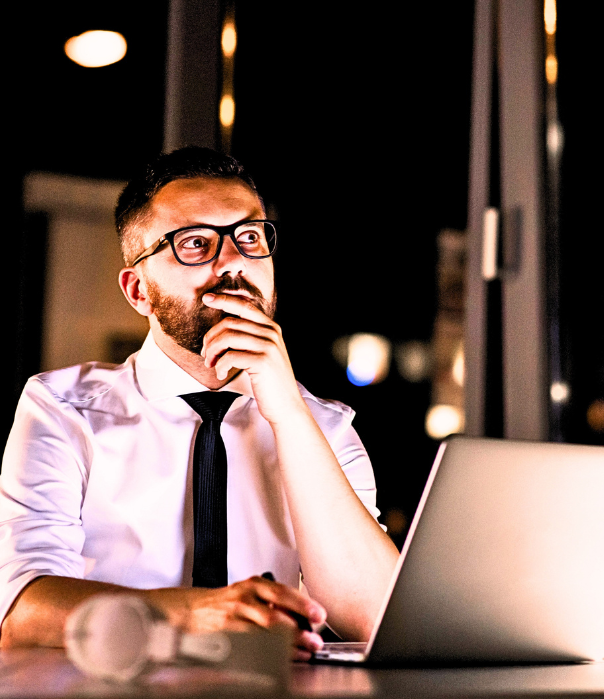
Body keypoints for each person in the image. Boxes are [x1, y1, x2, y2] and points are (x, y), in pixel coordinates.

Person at [0, 147, 398, 659]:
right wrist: (194, 613)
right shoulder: (60, 409)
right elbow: (20, 611)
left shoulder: (327, 427)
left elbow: (375, 617)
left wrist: (286, 412)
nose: (233, 262)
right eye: (195, 243)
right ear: (138, 290)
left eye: (249, 237)